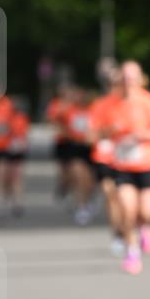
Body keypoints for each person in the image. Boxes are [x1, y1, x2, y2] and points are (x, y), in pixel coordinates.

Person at [105, 60, 150, 275]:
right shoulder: (111, 103)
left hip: (147, 164)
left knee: (146, 213)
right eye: (125, 77)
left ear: (140, 79)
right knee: (127, 209)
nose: (129, 81)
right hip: (122, 165)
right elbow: (97, 132)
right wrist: (109, 131)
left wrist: (141, 135)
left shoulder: (149, 102)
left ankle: (145, 227)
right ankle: (132, 252)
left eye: (132, 77)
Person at [89, 68, 125, 255]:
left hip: (128, 159)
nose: (115, 88)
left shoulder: (132, 104)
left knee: (126, 198)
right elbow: (90, 135)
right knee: (110, 195)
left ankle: (131, 229)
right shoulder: (100, 105)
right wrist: (109, 131)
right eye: (112, 84)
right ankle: (118, 234)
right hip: (105, 156)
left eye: (119, 83)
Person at [62, 83, 97, 225]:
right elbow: (59, 124)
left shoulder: (95, 110)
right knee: (78, 176)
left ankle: (88, 200)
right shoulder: (69, 110)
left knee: (89, 180)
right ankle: (81, 206)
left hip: (92, 148)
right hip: (75, 147)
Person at [46, 83, 75, 201]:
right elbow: (51, 119)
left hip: (73, 140)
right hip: (61, 140)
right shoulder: (55, 104)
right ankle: (63, 186)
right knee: (62, 168)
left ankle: (68, 186)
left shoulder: (74, 104)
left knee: (72, 167)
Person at [4, 102, 30, 216]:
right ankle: (9, 194)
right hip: (5, 149)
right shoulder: (4, 118)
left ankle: (17, 201)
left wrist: (23, 144)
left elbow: (24, 133)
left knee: (16, 176)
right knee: (8, 176)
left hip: (17, 150)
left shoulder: (21, 118)